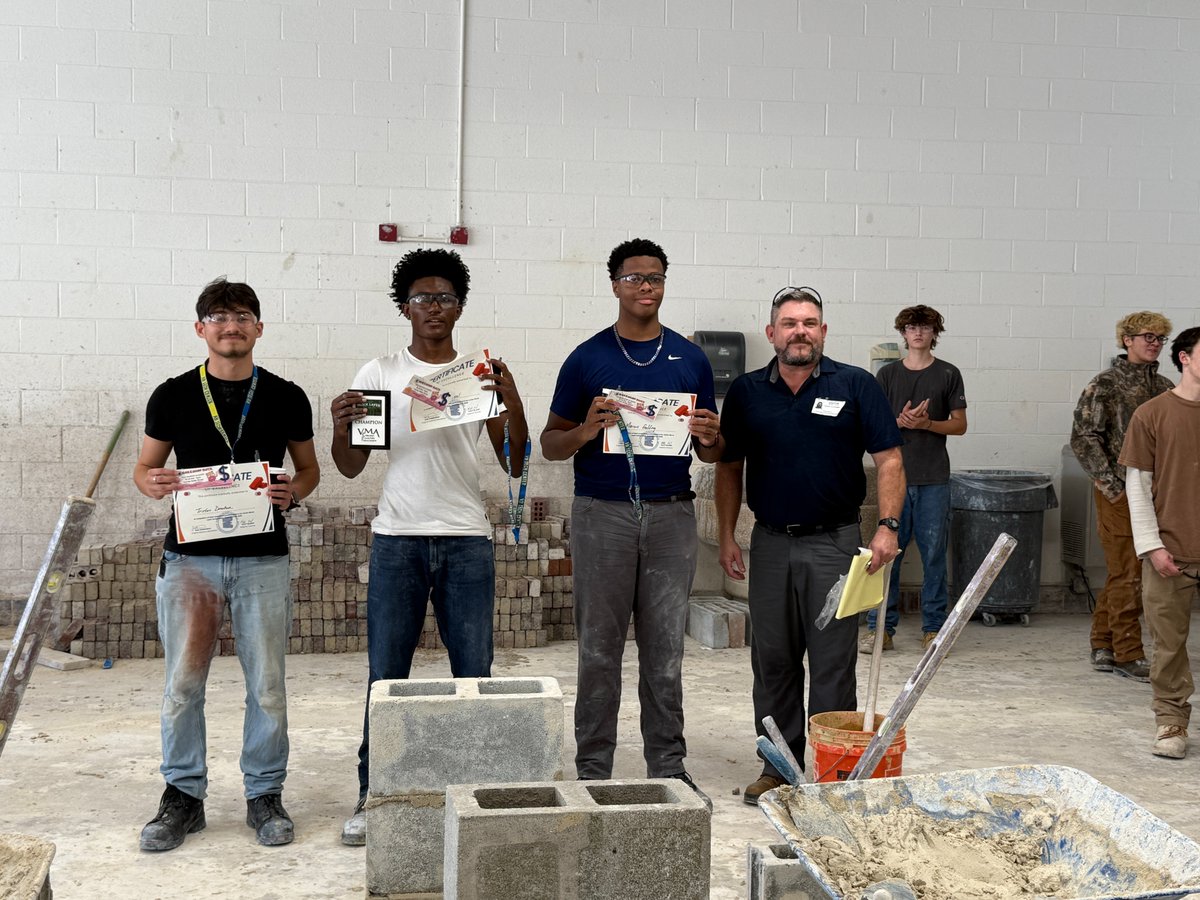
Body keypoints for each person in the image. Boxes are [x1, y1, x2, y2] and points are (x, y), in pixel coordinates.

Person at [331, 248, 527, 845]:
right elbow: (348, 465)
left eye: (444, 297)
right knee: (386, 678)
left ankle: (478, 793)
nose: (433, 306)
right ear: (404, 307)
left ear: (459, 305)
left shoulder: (478, 373)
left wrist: (511, 397)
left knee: (476, 676)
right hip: (398, 541)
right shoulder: (380, 371)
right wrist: (341, 427)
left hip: (467, 540)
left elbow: (515, 460)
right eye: (422, 297)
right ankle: (375, 796)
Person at [134, 278, 320, 851]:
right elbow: (145, 470)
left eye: (242, 315)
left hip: (262, 561)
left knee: (267, 685)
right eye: (218, 316)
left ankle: (264, 793)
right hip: (190, 563)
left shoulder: (288, 395)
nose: (230, 325)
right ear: (200, 329)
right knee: (183, 686)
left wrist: (296, 492)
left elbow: (309, 471)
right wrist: (154, 482)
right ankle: (183, 797)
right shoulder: (171, 395)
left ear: (259, 328)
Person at [540, 238, 720, 807]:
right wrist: (585, 430)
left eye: (656, 277)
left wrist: (712, 438)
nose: (646, 286)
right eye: (635, 277)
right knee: (599, 647)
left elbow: (713, 452)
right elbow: (549, 445)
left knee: (665, 649)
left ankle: (667, 763)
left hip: (672, 514)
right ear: (614, 283)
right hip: (603, 515)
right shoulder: (588, 359)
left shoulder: (691, 360)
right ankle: (593, 765)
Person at [715, 286, 904, 805]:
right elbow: (729, 467)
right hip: (771, 545)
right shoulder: (748, 392)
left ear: (823, 332)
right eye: (790, 322)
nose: (800, 330)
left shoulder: (856, 385)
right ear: (772, 333)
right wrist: (728, 533)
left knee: (831, 662)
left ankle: (828, 768)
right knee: (772, 661)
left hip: (836, 547)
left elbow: (889, 459)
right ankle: (779, 766)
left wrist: (888, 526)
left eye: (810, 322)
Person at [1070, 312, 1174, 681]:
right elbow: (1083, 438)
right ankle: (1128, 653)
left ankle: (1102, 642)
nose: (1154, 343)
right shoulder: (1106, 385)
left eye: (1160, 338)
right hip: (1118, 492)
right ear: (1126, 340)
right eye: (1147, 336)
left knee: (1127, 571)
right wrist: (1112, 486)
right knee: (1127, 571)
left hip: (1157, 494)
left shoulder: (1164, 387)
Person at [863, 305, 967, 652]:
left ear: (934, 333)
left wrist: (926, 424)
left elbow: (960, 425)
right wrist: (900, 422)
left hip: (934, 478)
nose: (918, 333)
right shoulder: (887, 376)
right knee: (885, 552)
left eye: (924, 327)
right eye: (911, 327)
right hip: (895, 480)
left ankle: (934, 628)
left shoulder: (949, 374)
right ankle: (881, 628)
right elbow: (871, 427)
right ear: (903, 333)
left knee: (934, 554)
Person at [1119, 326, 1200, 760]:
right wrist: (1151, 546)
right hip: (1170, 550)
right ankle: (1171, 720)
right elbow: (1138, 487)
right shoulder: (1151, 415)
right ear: (1184, 358)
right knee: (1169, 645)